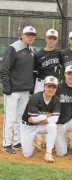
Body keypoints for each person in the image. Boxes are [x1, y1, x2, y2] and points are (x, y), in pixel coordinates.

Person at [0, 26, 36, 154]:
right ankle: (7, 143)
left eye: (32, 35)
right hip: (13, 90)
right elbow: (4, 69)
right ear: (22, 34)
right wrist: (7, 87)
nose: (30, 36)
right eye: (28, 34)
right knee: (10, 117)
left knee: (20, 117)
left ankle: (17, 141)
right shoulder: (13, 47)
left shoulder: (31, 50)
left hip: (25, 90)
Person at [20, 76, 60, 162]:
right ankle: (31, 144)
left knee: (52, 126)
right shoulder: (35, 97)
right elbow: (32, 120)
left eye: (54, 87)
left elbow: (55, 119)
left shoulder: (56, 99)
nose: (51, 89)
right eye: (49, 86)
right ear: (44, 86)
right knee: (27, 154)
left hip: (40, 125)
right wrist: (46, 116)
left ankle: (48, 153)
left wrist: (39, 119)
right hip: (28, 126)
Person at [34, 29, 62, 94]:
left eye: (54, 39)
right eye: (50, 38)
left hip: (54, 83)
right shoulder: (38, 54)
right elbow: (34, 72)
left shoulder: (59, 53)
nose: (52, 41)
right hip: (41, 83)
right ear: (46, 39)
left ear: (57, 40)